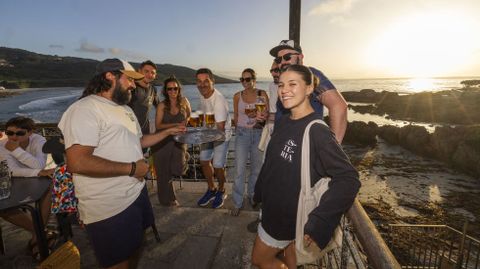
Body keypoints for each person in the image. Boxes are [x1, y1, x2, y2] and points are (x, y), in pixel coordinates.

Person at [59, 58, 185, 269]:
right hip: (109, 205)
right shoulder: (85, 109)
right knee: (119, 262)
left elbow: (139, 141)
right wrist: (133, 169)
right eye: (130, 80)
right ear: (110, 76)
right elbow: (77, 161)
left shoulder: (125, 109)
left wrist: (168, 132)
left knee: (135, 248)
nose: (134, 85)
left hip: (136, 193)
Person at [251, 65, 360, 268]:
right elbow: (273, 164)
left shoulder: (317, 131)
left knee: (259, 259)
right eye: (281, 84)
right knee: (289, 255)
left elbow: (348, 179)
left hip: (285, 216)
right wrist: (260, 192)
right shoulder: (285, 122)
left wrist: (320, 221)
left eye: (293, 84)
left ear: (310, 88)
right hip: (272, 207)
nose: (284, 90)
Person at [270, 40, 348, 143]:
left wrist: (333, 148)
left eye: (287, 57)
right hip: (282, 144)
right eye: (279, 59)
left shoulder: (310, 75)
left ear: (301, 57)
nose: (283, 62)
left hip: (302, 146)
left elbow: (338, 105)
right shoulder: (284, 80)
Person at [0, 116, 55, 258]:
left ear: (30, 132)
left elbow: (39, 165)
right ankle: (41, 235)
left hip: (37, 179)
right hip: (15, 182)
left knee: (49, 190)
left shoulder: (38, 140)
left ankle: (38, 238)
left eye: (19, 133)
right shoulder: (3, 145)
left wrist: (17, 151)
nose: (13, 137)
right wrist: (38, 172)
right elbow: (11, 170)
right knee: (4, 208)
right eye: (9, 133)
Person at [231, 68, 268, 216]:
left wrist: (262, 116)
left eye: (248, 79)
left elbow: (267, 114)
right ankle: (237, 202)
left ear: (254, 79)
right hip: (242, 134)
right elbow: (235, 117)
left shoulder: (262, 94)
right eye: (242, 79)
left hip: (258, 133)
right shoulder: (236, 96)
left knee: (256, 170)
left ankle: (252, 196)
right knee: (239, 170)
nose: (245, 82)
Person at [151, 75, 191, 206]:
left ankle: (186, 155)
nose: (173, 92)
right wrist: (175, 126)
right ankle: (168, 199)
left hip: (179, 140)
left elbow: (189, 115)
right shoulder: (162, 105)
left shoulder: (184, 101)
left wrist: (186, 121)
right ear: (165, 91)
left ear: (179, 89)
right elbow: (158, 126)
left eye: (175, 88)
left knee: (179, 168)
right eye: (170, 89)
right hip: (163, 140)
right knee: (163, 173)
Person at [195, 68, 232, 209]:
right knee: (204, 161)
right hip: (208, 131)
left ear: (213, 82)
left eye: (206, 81)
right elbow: (201, 113)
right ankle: (211, 189)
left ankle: (222, 190)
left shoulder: (219, 99)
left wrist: (199, 135)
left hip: (221, 134)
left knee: (217, 165)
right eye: (199, 81)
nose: (202, 84)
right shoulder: (202, 94)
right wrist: (190, 123)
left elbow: (220, 127)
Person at [127, 60, 159, 135]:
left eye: (153, 73)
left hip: (145, 132)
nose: (150, 75)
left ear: (155, 75)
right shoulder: (131, 88)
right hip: (130, 132)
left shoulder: (153, 89)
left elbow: (159, 106)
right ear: (139, 71)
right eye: (146, 71)